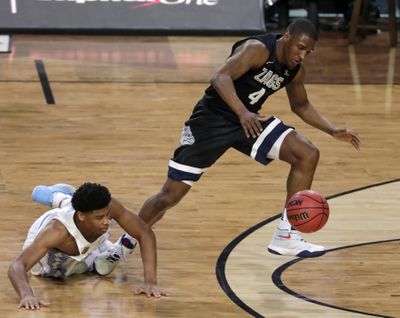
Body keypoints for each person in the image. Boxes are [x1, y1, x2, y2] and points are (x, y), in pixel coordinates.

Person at [137, 18, 361, 258]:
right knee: (169, 197)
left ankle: (286, 237)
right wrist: (242, 112)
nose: (303, 55)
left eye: (309, 51)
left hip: (250, 122)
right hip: (213, 121)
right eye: (300, 47)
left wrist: (332, 130)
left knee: (307, 154)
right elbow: (220, 77)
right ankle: (123, 244)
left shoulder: (295, 69)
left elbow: (301, 105)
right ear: (287, 37)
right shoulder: (257, 49)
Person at [8, 182, 167, 310]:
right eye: (99, 217)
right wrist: (26, 295)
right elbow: (17, 265)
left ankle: (65, 199)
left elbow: (145, 233)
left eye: (107, 215)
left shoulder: (107, 209)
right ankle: (60, 197)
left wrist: (150, 282)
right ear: (82, 215)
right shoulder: (58, 232)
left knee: (100, 265)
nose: (106, 221)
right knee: (73, 272)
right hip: (51, 254)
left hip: (86, 239)